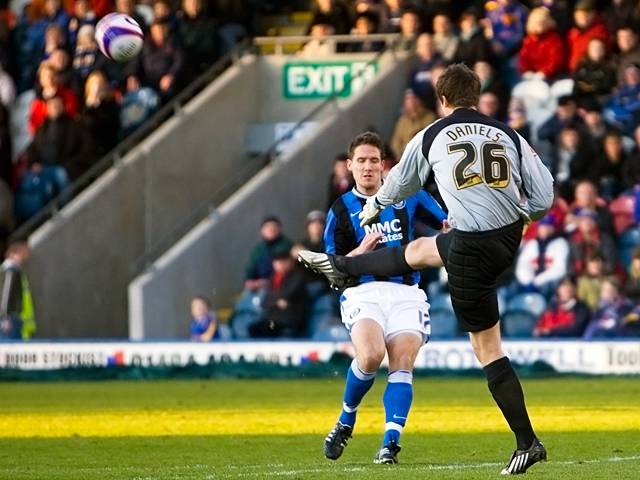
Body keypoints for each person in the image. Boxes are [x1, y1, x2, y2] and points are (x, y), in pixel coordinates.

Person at [299, 64, 553, 475]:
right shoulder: (510, 134)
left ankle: (528, 442)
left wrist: (374, 206)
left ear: (443, 100)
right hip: (505, 241)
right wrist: (525, 215)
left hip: (471, 248)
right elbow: (544, 194)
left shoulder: (432, 134)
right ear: (477, 95)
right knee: (418, 249)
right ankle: (345, 267)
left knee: (488, 350)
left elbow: (399, 181)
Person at [321, 131, 446, 465]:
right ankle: (347, 418)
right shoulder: (340, 209)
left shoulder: (411, 196)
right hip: (364, 292)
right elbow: (333, 267)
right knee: (372, 355)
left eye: (373, 160)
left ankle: (390, 443)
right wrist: (361, 252)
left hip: (406, 293)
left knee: (402, 362)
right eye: (360, 161)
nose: (367, 167)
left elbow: (447, 223)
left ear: (383, 165)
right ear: (349, 166)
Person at [0, 242, 35, 340]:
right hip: (11, 319)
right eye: (22, 254)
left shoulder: (10, 271)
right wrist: (4, 317)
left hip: (12, 318)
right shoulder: (11, 271)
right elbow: (6, 295)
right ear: (13, 254)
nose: (25, 258)